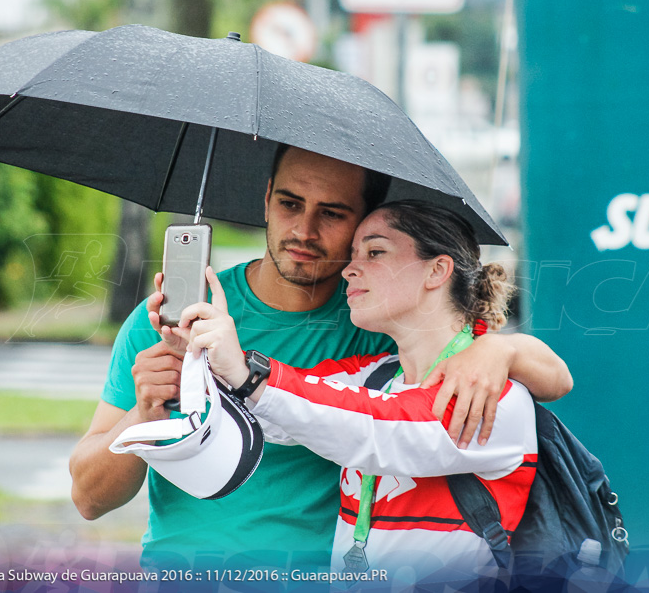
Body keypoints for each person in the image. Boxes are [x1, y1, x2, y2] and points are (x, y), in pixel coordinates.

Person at [69, 146, 572, 571]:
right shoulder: (173, 321)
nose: (305, 230)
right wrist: (148, 410)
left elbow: (372, 416)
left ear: (358, 222)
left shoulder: (376, 327)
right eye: (290, 203)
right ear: (265, 199)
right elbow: (90, 499)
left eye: (332, 214)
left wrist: (501, 348)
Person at [178, 200, 542, 584]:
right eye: (353, 254)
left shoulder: (494, 394)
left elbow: (380, 428)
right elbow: (275, 417)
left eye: (374, 252)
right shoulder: (377, 374)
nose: (349, 269)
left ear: (437, 270)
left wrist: (246, 371)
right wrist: (197, 353)